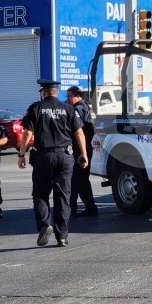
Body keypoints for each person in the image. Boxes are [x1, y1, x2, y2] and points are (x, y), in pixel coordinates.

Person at [18, 79, 88, 248]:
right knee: (63, 196)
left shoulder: (36, 107)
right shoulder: (69, 108)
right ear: (56, 93)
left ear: (43, 93)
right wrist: (84, 154)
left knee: (41, 194)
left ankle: (44, 226)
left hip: (43, 156)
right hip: (65, 156)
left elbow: (27, 133)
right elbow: (79, 132)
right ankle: (62, 237)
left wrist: (21, 154)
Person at [66, 86, 98, 217]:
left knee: (74, 180)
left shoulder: (78, 109)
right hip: (85, 147)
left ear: (77, 95)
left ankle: (71, 209)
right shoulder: (85, 107)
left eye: (69, 96)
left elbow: (77, 130)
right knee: (82, 181)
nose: (67, 99)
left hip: (80, 149)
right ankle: (90, 207)